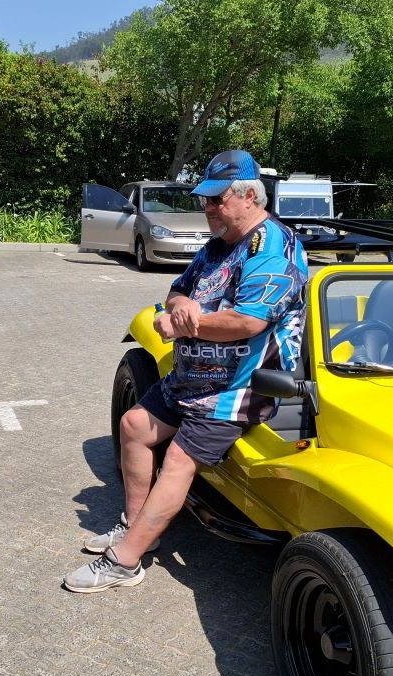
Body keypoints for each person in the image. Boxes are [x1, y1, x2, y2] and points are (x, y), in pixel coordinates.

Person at [63, 149, 308, 593]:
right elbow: (177, 289)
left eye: (217, 200)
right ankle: (137, 529)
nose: (207, 207)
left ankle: (125, 561)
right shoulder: (218, 247)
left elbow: (248, 322)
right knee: (134, 425)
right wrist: (183, 307)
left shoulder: (271, 246)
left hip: (239, 386)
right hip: (191, 378)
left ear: (249, 197)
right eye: (205, 199)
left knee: (177, 460)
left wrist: (179, 323)